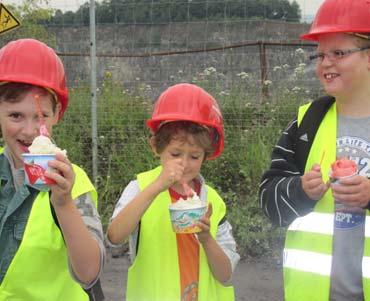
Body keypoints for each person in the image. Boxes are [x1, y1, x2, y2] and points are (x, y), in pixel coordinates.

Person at [259, 0, 370, 300]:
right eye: (320, 54)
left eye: (339, 53)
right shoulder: (306, 123)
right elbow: (269, 201)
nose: (325, 63)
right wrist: (300, 190)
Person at [107, 83, 240, 301]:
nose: (184, 164)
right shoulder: (141, 187)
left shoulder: (212, 201)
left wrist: (206, 239)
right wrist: (158, 186)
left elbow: (225, 275)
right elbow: (115, 237)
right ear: (155, 147)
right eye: (176, 153)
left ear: (206, 156)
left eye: (194, 156)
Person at [0, 39, 105, 300]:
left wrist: (63, 202)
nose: (28, 130)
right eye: (15, 115)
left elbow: (89, 272)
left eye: (41, 116)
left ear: (57, 113)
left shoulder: (73, 181)